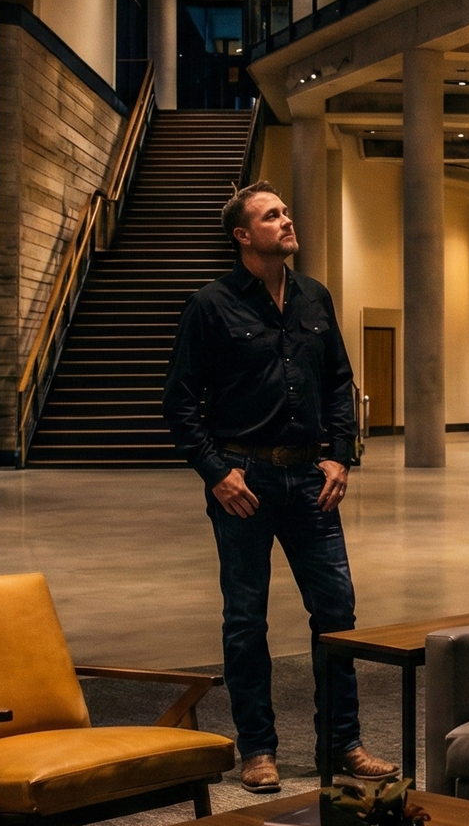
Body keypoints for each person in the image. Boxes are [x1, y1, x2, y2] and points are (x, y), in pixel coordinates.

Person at [162, 179, 397, 793]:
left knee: (338, 613)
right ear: (243, 235)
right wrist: (218, 473)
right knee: (246, 619)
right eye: (272, 215)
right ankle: (258, 749)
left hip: (311, 479)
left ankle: (343, 743)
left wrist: (341, 456)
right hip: (246, 480)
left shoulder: (315, 298)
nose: (287, 220)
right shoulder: (210, 305)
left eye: (287, 211)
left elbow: (340, 381)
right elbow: (179, 403)